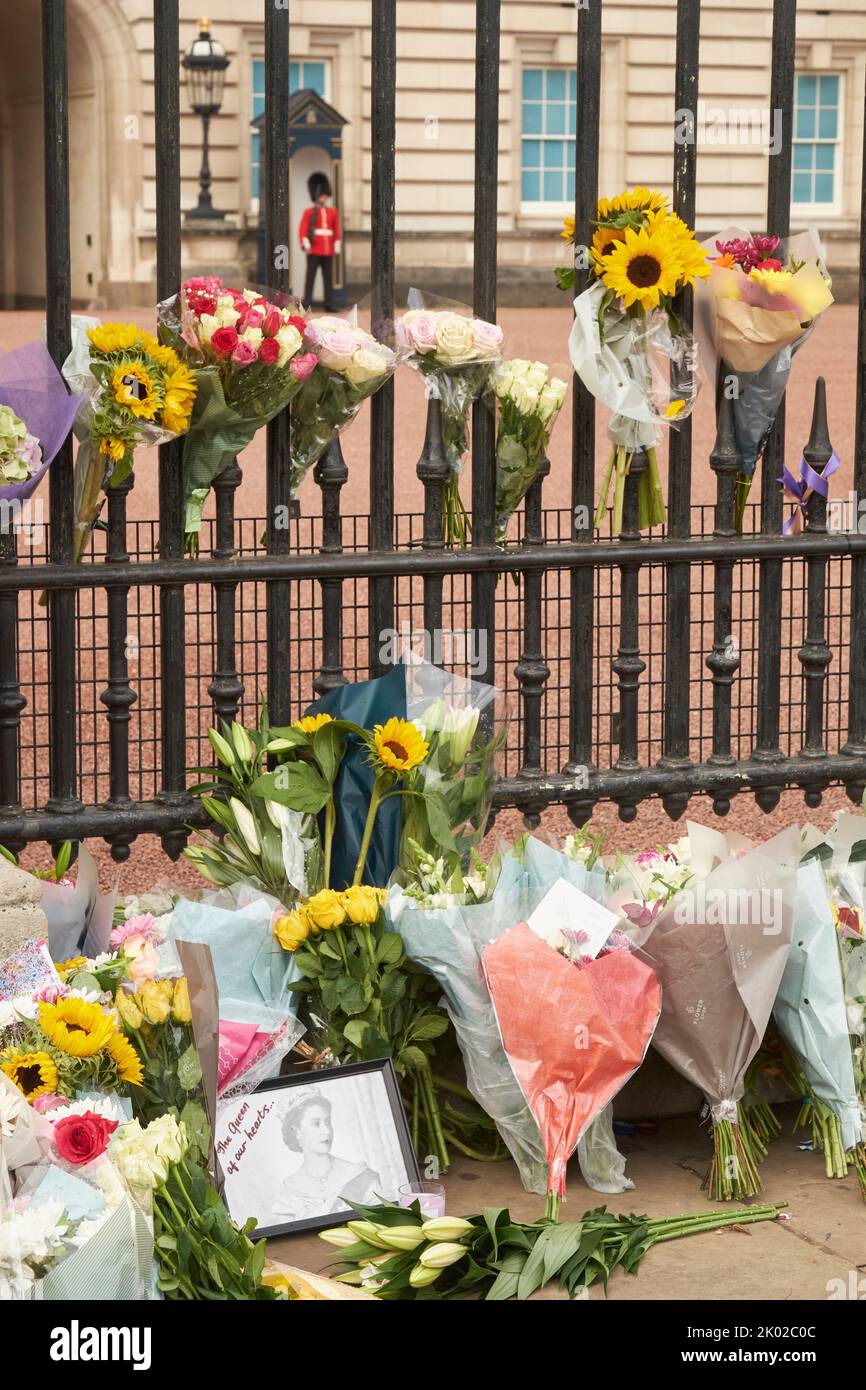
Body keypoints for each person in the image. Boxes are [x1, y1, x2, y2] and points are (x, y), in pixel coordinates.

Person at [272, 1088, 381, 1224]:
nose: (326, 1131)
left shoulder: (359, 1175)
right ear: (297, 1131)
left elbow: (381, 1221)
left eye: (327, 1122)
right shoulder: (288, 1192)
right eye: (316, 1124)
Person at [299, 172, 341, 311]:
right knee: (310, 277)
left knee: (328, 279)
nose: (325, 197)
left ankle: (329, 304)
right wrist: (306, 245)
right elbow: (303, 230)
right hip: (315, 249)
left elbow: (336, 229)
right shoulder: (309, 212)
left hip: (327, 249)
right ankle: (307, 303)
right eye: (323, 195)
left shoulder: (332, 212)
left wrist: (336, 244)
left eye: (325, 195)